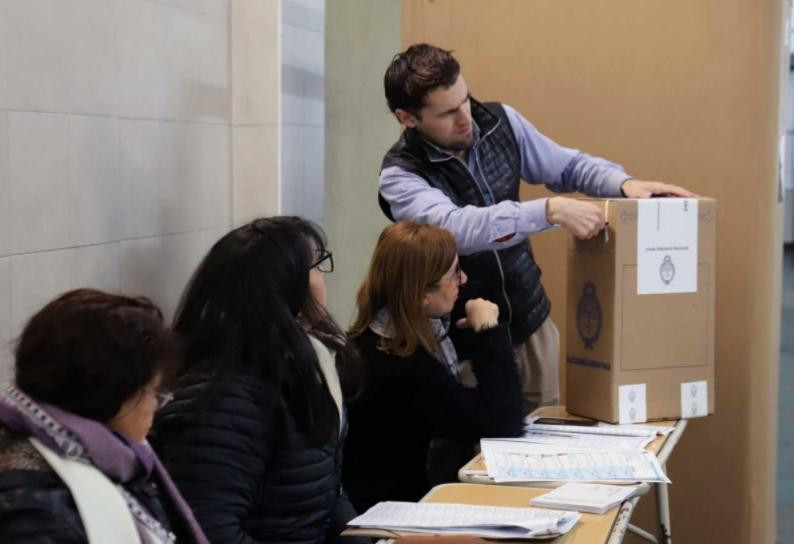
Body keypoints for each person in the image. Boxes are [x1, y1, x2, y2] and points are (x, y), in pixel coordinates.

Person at [378, 43, 695, 409]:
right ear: (407, 118)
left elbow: (566, 166)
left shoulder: (500, 121)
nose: (466, 117)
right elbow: (455, 230)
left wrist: (624, 185)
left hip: (530, 321)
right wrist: (548, 211)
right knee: (474, 451)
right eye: (447, 113)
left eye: (465, 99)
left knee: (540, 442)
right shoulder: (400, 174)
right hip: (462, 334)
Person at [151, 217, 366, 544]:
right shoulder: (226, 398)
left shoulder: (307, 363)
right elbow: (210, 530)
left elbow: (327, 496)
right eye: (317, 266)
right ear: (285, 287)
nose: (324, 279)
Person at [0, 289, 208, 544]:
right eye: (154, 393)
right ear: (112, 395)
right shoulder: (35, 512)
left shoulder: (120, 459)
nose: (156, 406)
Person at [342, 222, 524, 512]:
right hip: (396, 513)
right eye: (453, 274)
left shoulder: (370, 338)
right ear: (422, 294)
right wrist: (489, 331)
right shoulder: (405, 369)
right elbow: (502, 422)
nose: (463, 279)